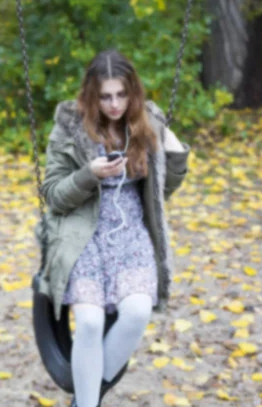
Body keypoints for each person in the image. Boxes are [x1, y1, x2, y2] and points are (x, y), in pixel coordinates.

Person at [37, 49, 190, 407]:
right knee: (88, 323)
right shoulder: (70, 126)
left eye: (122, 95)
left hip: (132, 235)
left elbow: (165, 188)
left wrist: (172, 148)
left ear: (132, 92)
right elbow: (53, 194)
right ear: (92, 95)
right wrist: (89, 174)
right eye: (105, 96)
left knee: (137, 311)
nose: (115, 104)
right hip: (82, 235)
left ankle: (85, 398)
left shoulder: (144, 123)